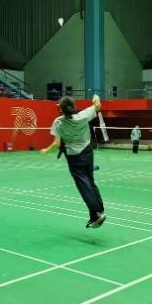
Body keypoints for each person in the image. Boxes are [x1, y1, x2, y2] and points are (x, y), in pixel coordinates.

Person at [41, 95, 106, 228]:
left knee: (83, 184)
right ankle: (98, 211)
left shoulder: (58, 122)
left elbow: (57, 143)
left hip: (74, 157)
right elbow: (97, 105)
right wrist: (96, 98)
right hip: (87, 152)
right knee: (90, 181)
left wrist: (45, 150)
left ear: (61, 109)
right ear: (74, 106)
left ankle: (96, 214)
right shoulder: (84, 115)